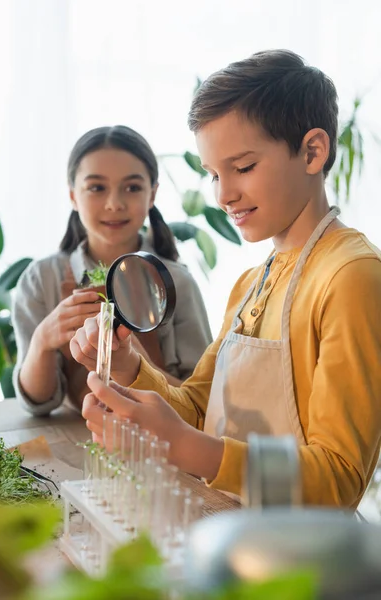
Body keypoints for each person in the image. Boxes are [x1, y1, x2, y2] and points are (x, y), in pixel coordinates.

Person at [71, 51, 381, 509]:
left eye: (243, 167)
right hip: (230, 538)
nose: (223, 194)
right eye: (214, 174)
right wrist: (129, 366)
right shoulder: (251, 283)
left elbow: (338, 482)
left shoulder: (351, 276)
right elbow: (197, 412)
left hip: (304, 565)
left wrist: (190, 449)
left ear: (313, 151)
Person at [12, 125, 212, 416]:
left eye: (132, 187)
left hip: (159, 448)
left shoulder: (177, 282)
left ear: (152, 194)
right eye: (97, 187)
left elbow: (200, 401)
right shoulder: (41, 279)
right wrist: (42, 340)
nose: (115, 204)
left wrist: (135, 365)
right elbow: (38, 402)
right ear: (72, 195)